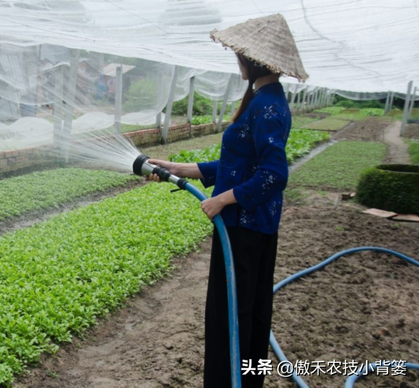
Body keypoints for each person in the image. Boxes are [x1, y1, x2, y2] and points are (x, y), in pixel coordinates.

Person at [146, 14, 308, 388]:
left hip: (244, 231)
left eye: (239, 55)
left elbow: (274, 175)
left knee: (231, 318)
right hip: (249, 228)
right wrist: (179, 168)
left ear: (252, 60)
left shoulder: (267, 106)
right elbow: (238, 164)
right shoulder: (264, 100)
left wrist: (222, 201)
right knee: (242, 315)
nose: (237, 60)